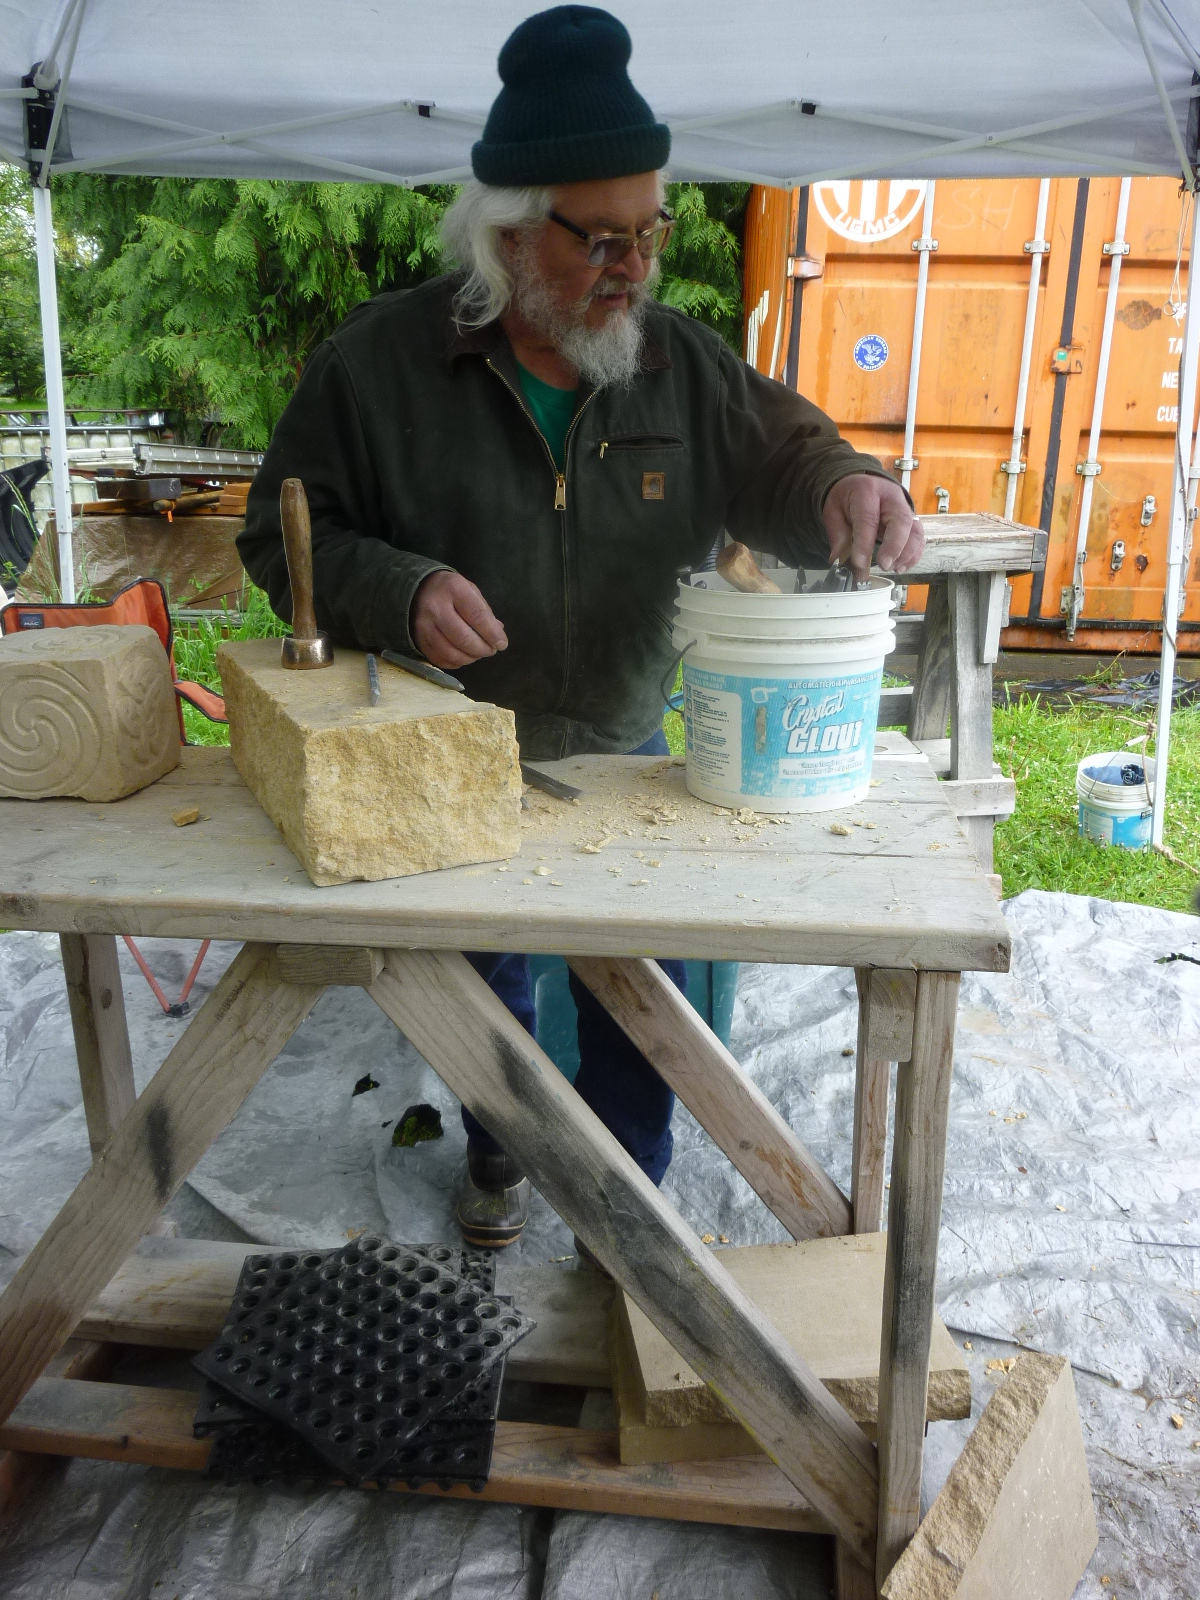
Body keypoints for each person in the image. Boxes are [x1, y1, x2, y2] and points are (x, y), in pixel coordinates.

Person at [238, 5, 925, 1249]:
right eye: (602, 238)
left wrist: (843, 486)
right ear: (506, 231)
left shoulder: (677, 365)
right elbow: (278, 537)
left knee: (640, 999)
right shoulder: (377, 367)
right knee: (482, 1001)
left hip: (626, 754)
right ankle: (501, 1152)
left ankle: (634, 1199)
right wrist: (392, 587)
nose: (635, 265)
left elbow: (788, 455)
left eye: (648, 230)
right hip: (442, 766)